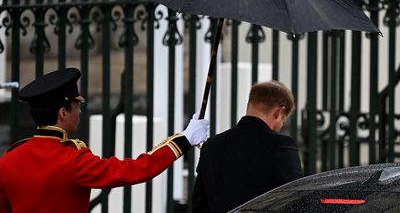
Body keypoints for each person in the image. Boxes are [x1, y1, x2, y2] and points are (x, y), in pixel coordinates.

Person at [0, 68, 209, 213]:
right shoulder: (72, 160)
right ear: (63, 112)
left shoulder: (9, 158)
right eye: (76, 105)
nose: (80, 111)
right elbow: (135, 170)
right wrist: (184, 139)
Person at [192, 80, 303, 213]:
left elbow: (199, 205)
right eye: (282, 121)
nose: (280, 127)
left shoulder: (212, 146)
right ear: (278, 112)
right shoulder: (281, 145)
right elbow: (296, 200)